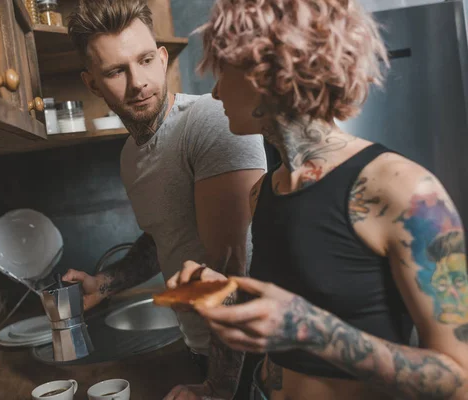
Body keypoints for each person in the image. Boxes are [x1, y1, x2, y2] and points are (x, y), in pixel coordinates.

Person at [167, 0, 468, 399]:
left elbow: (458, 380)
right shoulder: (265, 190)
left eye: (223, 70)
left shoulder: (402, 189)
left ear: (269, 72)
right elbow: (286, 310)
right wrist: (222, 292)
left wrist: (313, 329)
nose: (216, 90)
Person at [61, 1, 267, 399]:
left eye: (144, 61)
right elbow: (163, 237)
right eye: (116, 71)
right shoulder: (130, 156)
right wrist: (103, 284)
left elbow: (236, 271)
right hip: (203, 352)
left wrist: (220, 388)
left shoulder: (210, 123)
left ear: (162, 59)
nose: (137, 82)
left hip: (253, 361)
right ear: (92, 84)